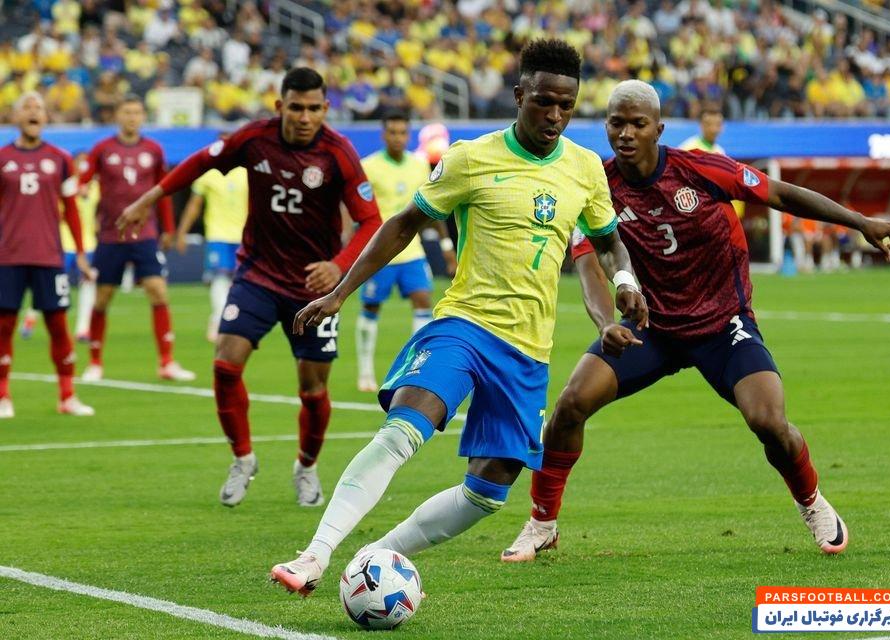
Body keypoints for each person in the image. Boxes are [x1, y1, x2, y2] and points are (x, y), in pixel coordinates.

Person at [269, 39, 645, 597]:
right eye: (544, 102)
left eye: (566, 105)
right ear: (519, 95)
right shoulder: (471, 158)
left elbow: (606, 245)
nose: (555, 115)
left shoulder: (585, 168)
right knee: (404, 429)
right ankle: (314, 556)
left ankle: (374, 559)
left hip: (528, 352)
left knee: (488, 492)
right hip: (465, 326)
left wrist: (624, 285)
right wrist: (341, 292)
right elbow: (403, 224)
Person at [501, 80, 890, 562]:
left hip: (723, 323)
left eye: (637, 124)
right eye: (616, 123)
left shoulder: (701, 169)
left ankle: (812, 502)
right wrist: (605, 321)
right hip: (652, 326)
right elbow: (587, 261)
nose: (626, 134)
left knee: (768, 421)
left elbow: (780, 194)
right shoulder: (597, 188)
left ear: (658, 129)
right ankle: (542, 523)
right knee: (570, 405)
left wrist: (860, 222)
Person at [117, 68, 383, 508]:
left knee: (313, 387)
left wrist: (338, 267)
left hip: (312, 287)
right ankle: (243, 459)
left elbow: (371, 220)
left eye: (313, 109)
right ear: (280, 106)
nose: (304, 117)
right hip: (257, 274)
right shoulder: (254, 138)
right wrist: (149, 199)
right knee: (225, 362)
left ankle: (307, 467)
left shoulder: (338, 153)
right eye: (295, 108)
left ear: (325, 109)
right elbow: (201, 162)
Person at [78, 94, 195, 382]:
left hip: (145, 234)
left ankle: (167, 362)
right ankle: (95, 362)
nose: (132, 117)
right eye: (127, 112)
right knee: (103, 297)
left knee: (158, 290)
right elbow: (84, 178)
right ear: (117, 116)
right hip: (110, 235)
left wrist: (168, 228)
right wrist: (81, 186)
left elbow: (163, 190)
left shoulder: (153, 150)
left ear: (143, 116)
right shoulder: (102, 149)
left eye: (137, 113)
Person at [0, 92, 96, 418]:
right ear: (15, 117)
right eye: (27, 107)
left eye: (38, 108)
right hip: (8, 256)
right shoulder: (2, 158)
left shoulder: (60, 159)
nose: (33, 112)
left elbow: (71, 209)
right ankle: (3, 396)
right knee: (4, 326)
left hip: (49, 255)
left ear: (45, 117)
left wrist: (80, 252)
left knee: (58, 325)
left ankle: (67, 396)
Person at [355, 111, 457, 392]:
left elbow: (431, 208)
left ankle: (413, 370)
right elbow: (357, 209)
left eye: (402, 133)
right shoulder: (369, 167)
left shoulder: (419, 165)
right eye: (392, 132)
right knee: (371, 307)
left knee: (423, 301)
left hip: (412, 250)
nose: (398, 138)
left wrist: (446, 246)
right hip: (380, 251)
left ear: (408, 135)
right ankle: (365, 371)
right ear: (383, 135)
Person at [174, 134, 249, 343]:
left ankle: (236, 321)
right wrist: (182, 232)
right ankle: (218, 320)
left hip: (243, 236)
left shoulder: (247, 172)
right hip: (218, 234)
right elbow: (194, 205)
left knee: (241, 281)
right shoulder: (209, 173)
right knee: (219, 277)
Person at [62, 150, 98, 341]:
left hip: (88, 244)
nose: (84, 165)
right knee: (54, 285)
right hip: (63, 243)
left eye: (87, 162)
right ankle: (32, 317)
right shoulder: (64, 185)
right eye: (80, 162)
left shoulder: (96, 187)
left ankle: (83, 328)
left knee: (88, 282)